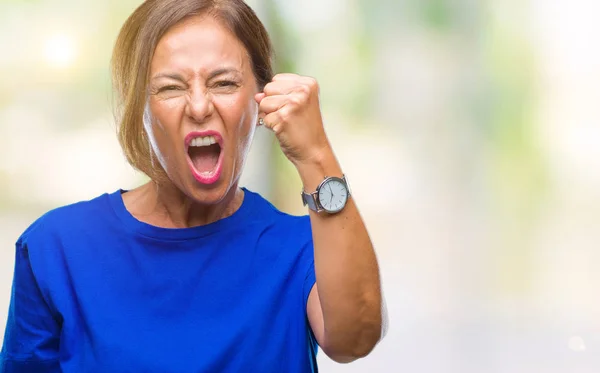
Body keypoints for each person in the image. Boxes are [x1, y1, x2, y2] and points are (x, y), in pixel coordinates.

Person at [0, 0, 385, 372]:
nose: (199, 107)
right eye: (170, 88)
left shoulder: (303, 248)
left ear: (261, 104)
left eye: (224, 83)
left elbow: (354, 340)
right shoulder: (55, 248)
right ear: (140, 110)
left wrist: (316, 154)